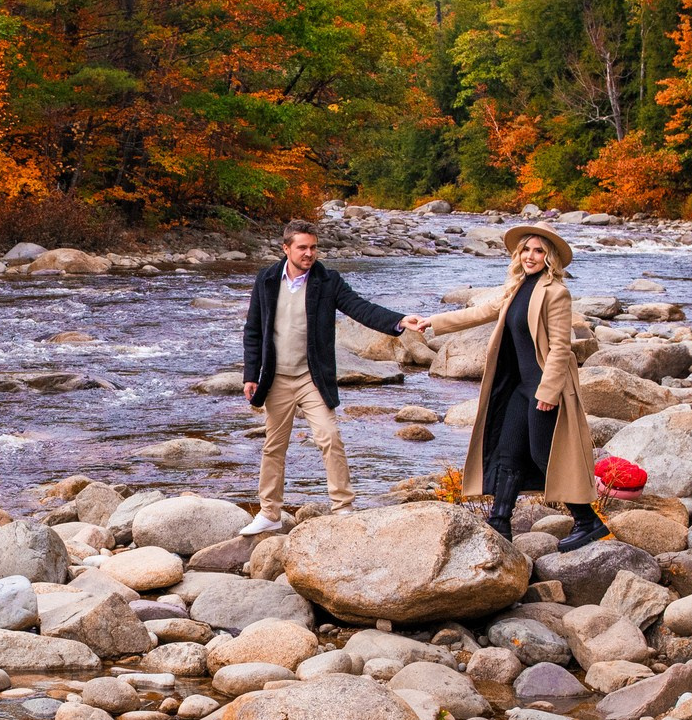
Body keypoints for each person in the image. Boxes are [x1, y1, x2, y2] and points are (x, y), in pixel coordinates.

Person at [416, 223, 606, 550]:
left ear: (549, 258)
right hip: (520, 386)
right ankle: (499, 521)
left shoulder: (555, 293)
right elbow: (483, 311)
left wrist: (548, 392)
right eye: (526, 250)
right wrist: (433, 321)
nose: (531, 256)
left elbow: (561, 348)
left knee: (545, 454)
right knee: (508, 450)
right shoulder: (517, 286)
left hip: (545, 387)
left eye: (538, 251)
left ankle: (588, 521)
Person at [237, 219, 426, 536]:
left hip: (312, 378)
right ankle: (269, 513)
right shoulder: (267, 279)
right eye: (302, 248)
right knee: (274, 446)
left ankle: (343, 508)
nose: (309, 253)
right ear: (286, 249)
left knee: (329, 437)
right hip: (277, 378)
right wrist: (250, 374)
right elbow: (253, 330)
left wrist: (400, 321)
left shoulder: (328, 281)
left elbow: (360, 308)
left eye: (313, 247)